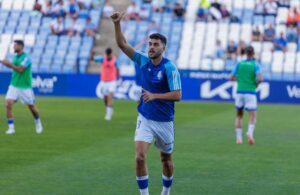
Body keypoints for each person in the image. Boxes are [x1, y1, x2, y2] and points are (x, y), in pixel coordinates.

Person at [111, 12, 182, 195]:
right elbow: (122, 44)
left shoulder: (169, 67)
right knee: (140, 157)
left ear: (163, 48)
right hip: (145, 118)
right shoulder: (142, 60)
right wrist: (117, 23)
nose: (151, 47)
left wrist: (155, 95)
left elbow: (177, 95)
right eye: (150, 44)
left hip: (165, 121)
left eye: (155, 44)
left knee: (165, 159)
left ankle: (165, 192)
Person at [0, 40, 43, 135]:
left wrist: (8, 64)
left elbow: (20, 69)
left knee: (31, 107)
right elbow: (13, 66)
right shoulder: (15, 57)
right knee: (8, 104)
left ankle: (38, 122)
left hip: (25, 87)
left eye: (15, 45)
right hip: (14, 85)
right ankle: (11, 128)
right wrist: (3, 62)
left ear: (20, 46)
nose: (13, 47)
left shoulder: (26, 58)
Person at [229, 46, 263, 145]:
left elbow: (231, 77)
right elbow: (260, 78)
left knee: (239, 115)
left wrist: (240, 80)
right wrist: (256, 83)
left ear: (245, 53)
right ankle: (250, 133)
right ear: (253, 53)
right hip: (250, 92)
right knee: (252, 115)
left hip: (240, 91)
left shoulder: (239, 64)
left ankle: (239, 139)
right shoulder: (255, 64)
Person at [94, 48, 120, 121]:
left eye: (109, 54)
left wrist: (120, 78)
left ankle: (108, 115)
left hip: (112, 81)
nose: (108, 56)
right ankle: (109, 109)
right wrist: (92, 54)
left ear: (111, 53)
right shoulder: (102, 59)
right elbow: (94, 59)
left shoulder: (115, 60)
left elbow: (118, 69)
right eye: (107, 54)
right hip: (104, 81)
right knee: (105, 99)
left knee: (109, 97)